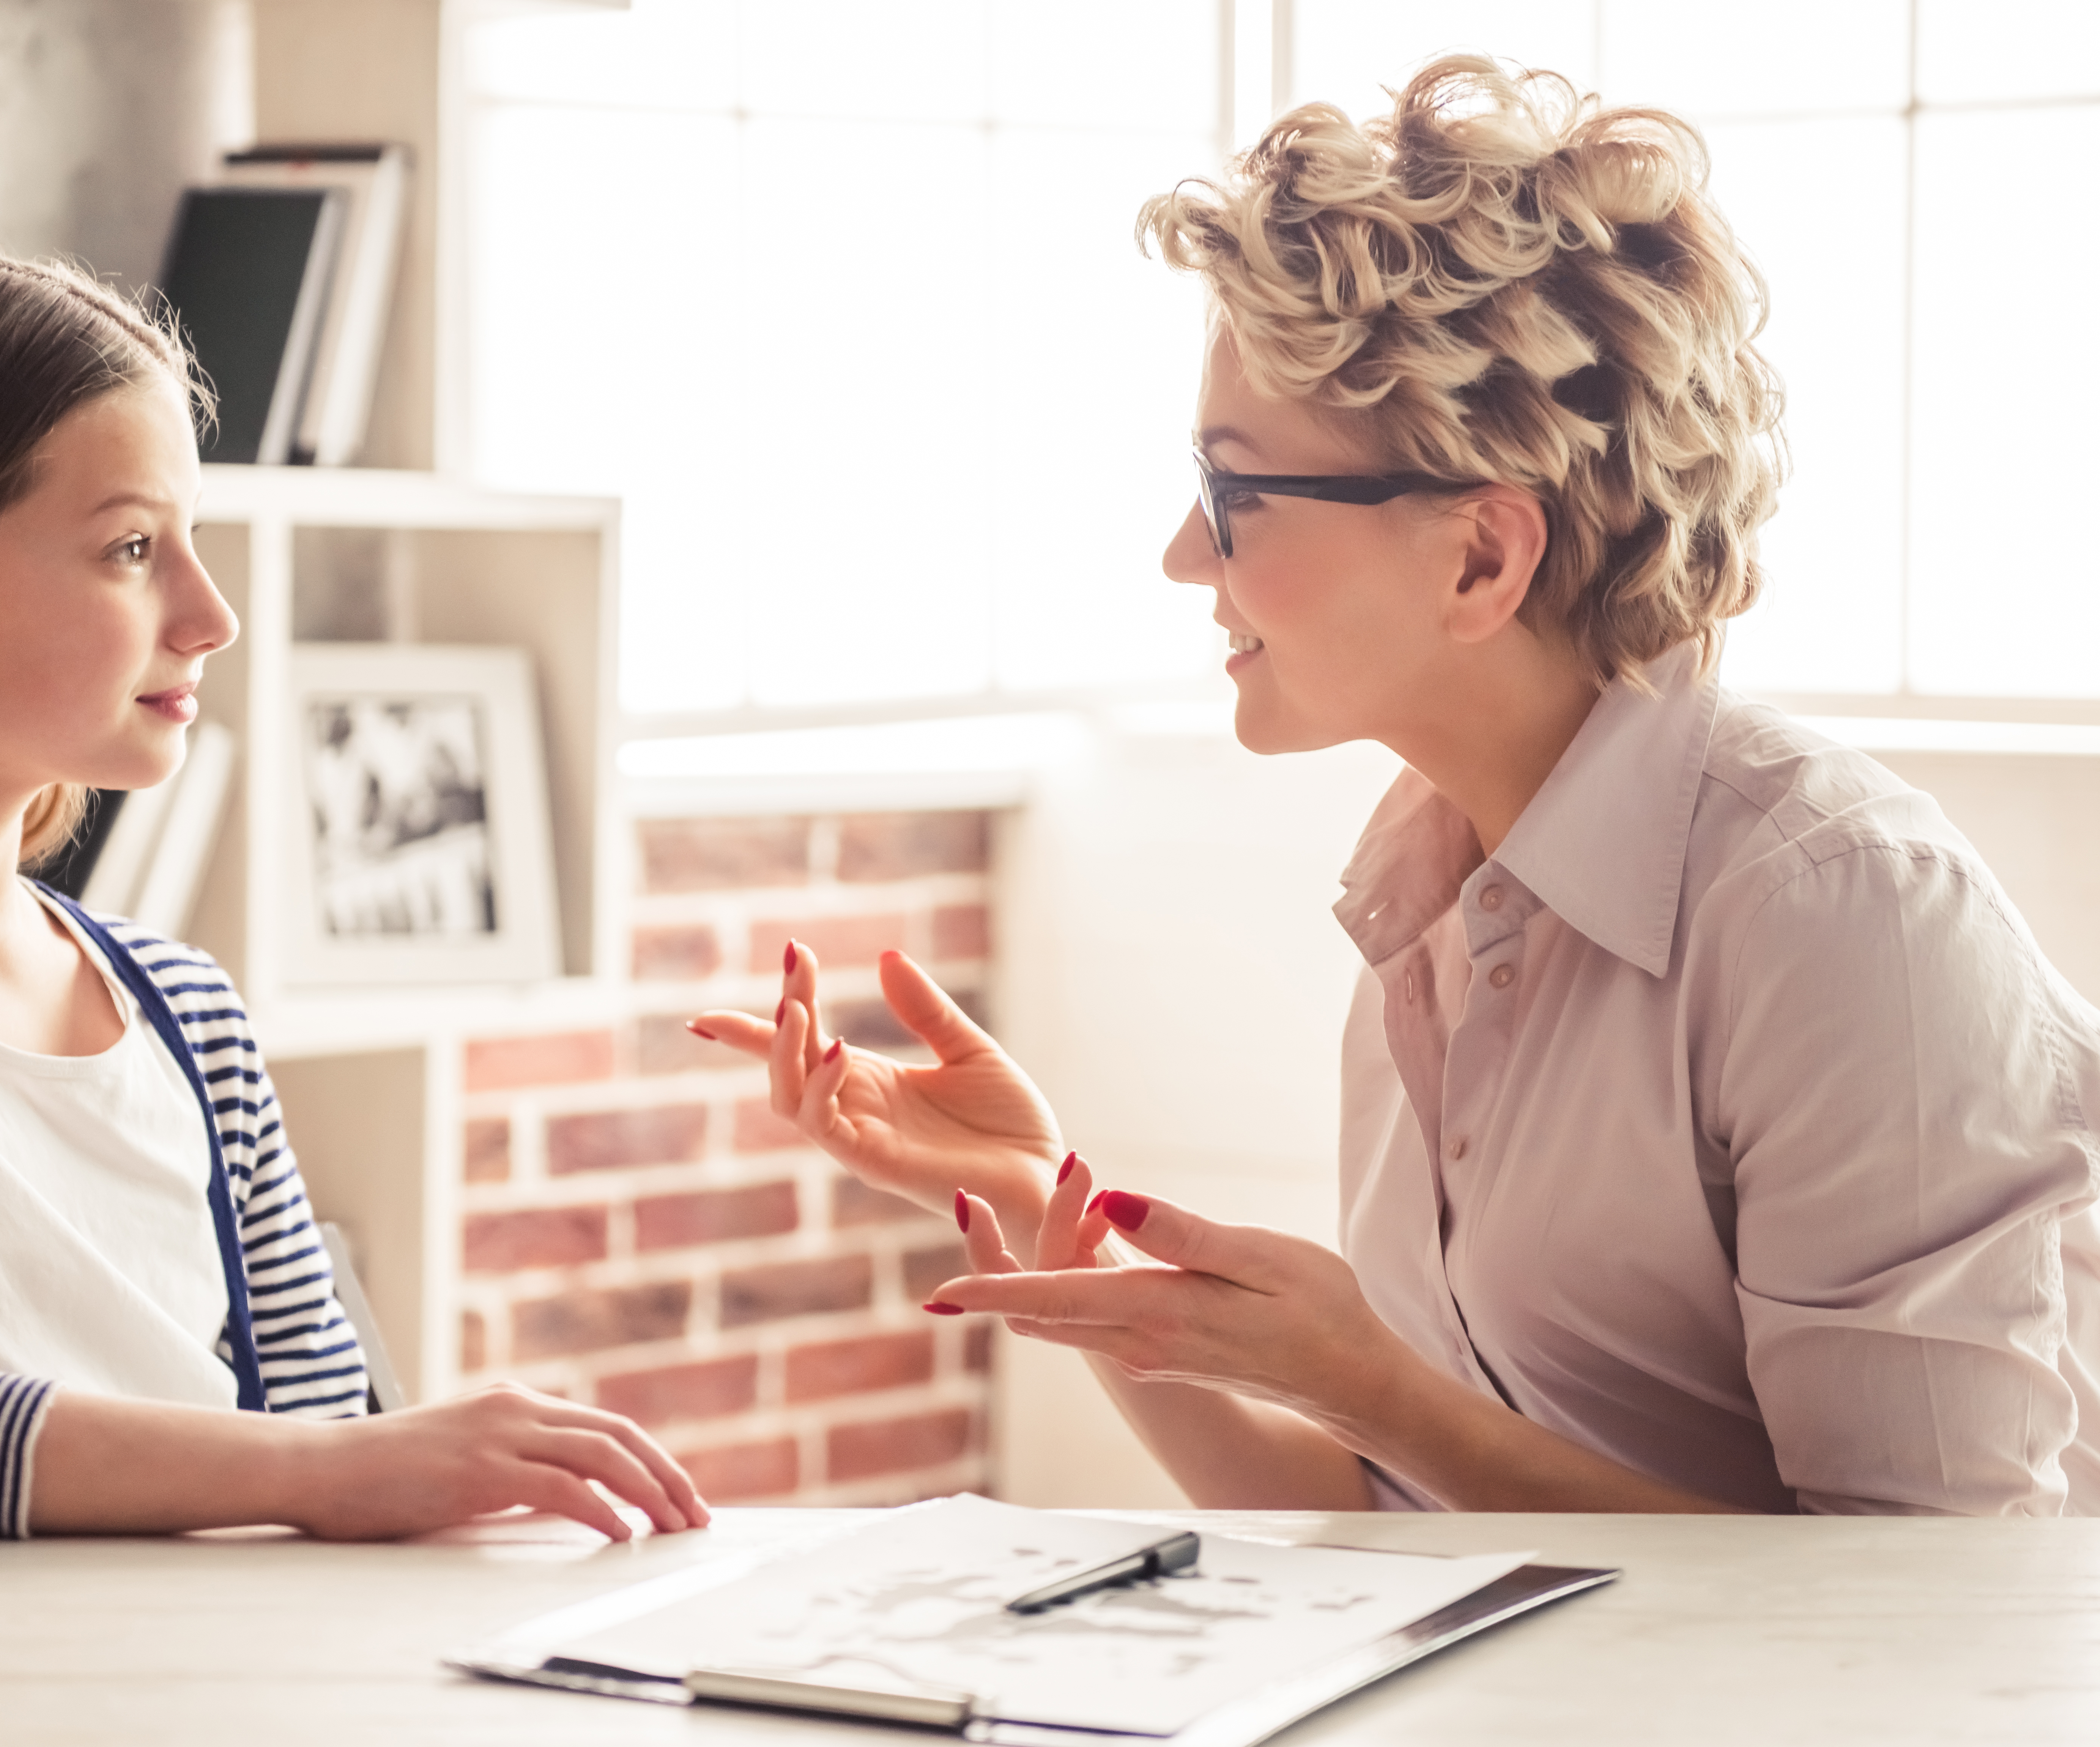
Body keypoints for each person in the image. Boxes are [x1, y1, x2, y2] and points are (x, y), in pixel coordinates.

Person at [697, 57, 2100, 1515]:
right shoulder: (1430, 905)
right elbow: (1399, 1515)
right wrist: (1061, 1232)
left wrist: (1371, 1383)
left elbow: (1921, 1623)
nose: (1188, 554)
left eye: (1237, 494)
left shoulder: (1843, 916)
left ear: (1483, 559)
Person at [0, 232, 708, 1542]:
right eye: (133, 548)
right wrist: (309, 1473)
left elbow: (335, 1458)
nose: (212, 613)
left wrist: (355, 1470)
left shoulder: (189, 1016)